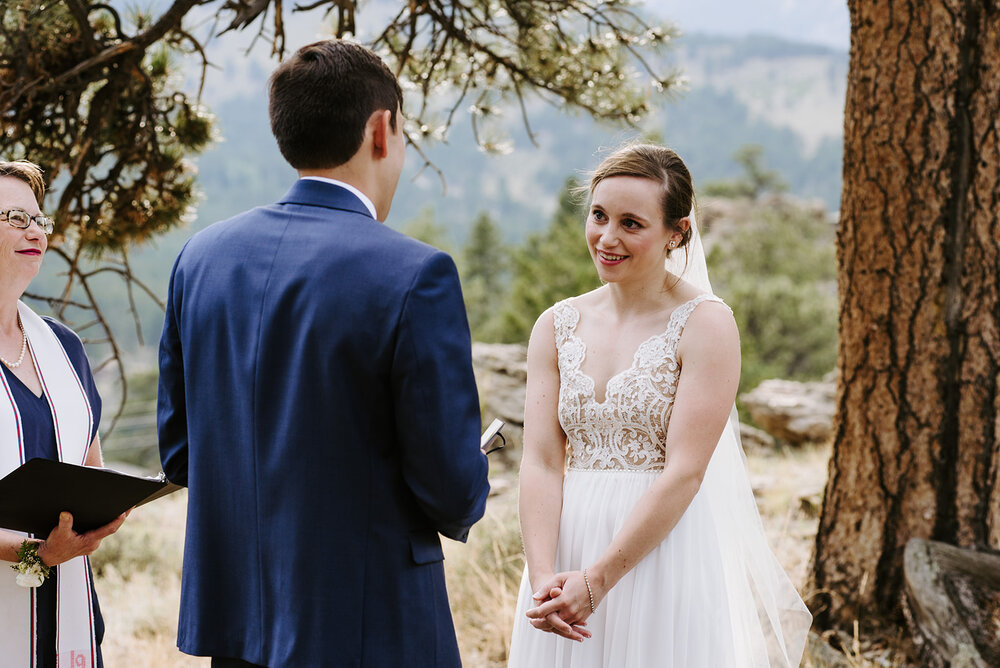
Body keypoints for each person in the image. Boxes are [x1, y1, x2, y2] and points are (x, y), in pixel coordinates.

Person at [157, 39, 490, 668]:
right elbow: (449, 487)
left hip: (237, 627)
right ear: (381, 130)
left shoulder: (200, 257)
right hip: (370, 628)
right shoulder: (416, 273)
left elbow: (181, 454)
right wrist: (472, 473)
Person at [508, 143, 812, 667]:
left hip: (660, 552)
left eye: (632, 223)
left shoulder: (706, 324)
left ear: (678, 232)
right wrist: (543, 579)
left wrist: (597, 578)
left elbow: (686, 472)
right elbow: (540, 460)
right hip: (564, 551)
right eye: (599, 216)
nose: (607, 237)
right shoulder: (554, 325)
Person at [0, 160, 127, 668]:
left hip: (68, 615)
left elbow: (88, 467)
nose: (36, 231)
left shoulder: (63, 346)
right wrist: (34, 555)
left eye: (39, 219)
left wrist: (104, 511)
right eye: (15, 217)